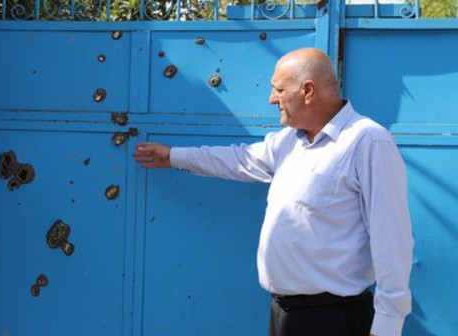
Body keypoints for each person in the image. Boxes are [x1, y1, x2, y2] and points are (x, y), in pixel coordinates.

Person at [133, 48, 413, 336]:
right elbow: (239, 160)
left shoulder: (368, 142)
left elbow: (391, 238)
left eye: (279, 89)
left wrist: (387, 326)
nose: (271, 99)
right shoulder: (290, 141)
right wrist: (172, 156)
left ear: (307, 91)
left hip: (333, 318)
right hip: (286, 315)